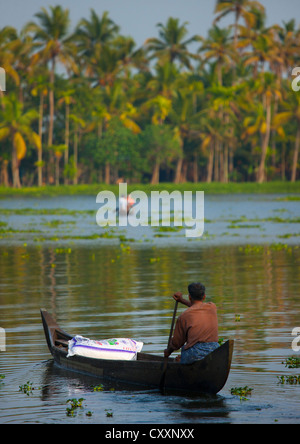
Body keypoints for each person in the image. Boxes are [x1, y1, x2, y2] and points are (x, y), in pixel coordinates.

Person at [164, 282, 219, 364]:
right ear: (204, 297)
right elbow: (197, 307)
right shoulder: (212, 307)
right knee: (182, 357)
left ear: (189, 297)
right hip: (215, 351)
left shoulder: (183, 317)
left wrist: (168, 351)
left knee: (179, 358)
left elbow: (176, 343)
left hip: (195, 354)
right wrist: (182, 300)